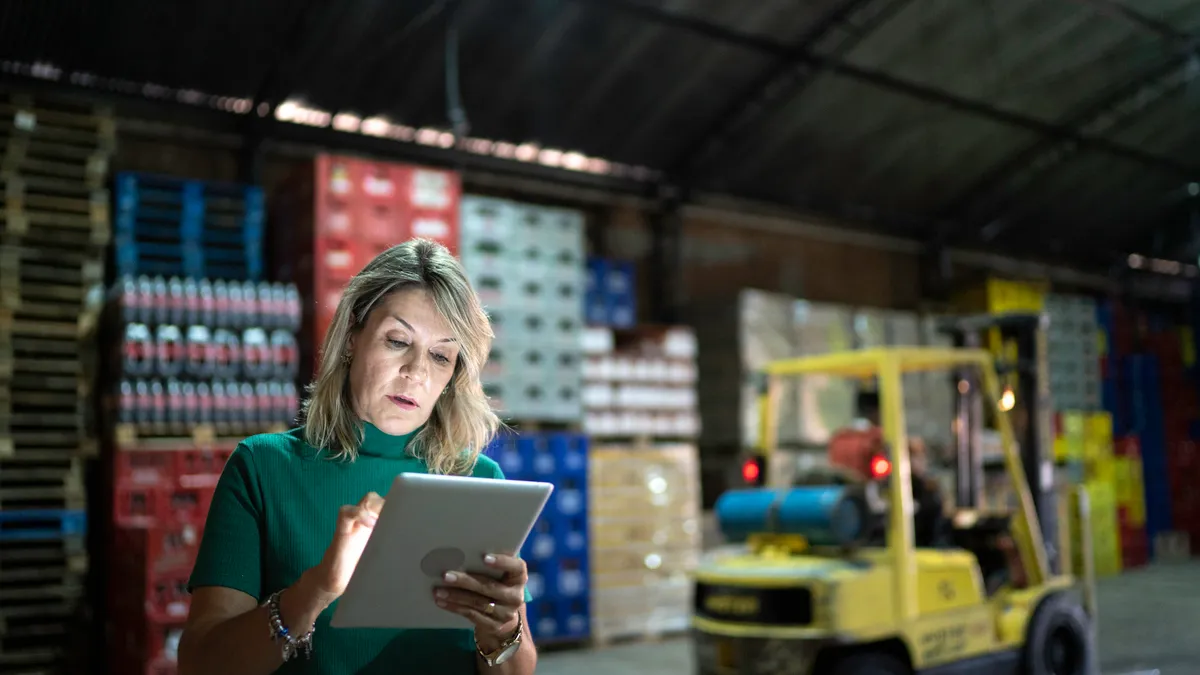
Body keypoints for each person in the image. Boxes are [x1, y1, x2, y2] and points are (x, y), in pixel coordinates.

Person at [179, 239, 537, 675]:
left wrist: (502, 631)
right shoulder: (262, 467)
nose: (417, 371)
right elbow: (201, 664)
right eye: (398, 340)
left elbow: (518, 671)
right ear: (352, 336)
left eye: (441, 355)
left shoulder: (480, 481)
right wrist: (316, 589)